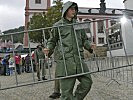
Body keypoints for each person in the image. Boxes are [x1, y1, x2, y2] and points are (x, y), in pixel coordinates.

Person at [44, 1, 96, 100]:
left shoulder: (78, 24)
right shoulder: (57, 26)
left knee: (87, 82)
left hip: (78, 60)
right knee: (66, 93)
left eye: (75, 9)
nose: (74, 11)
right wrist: (48, 49)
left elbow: (84, 40)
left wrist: (90, 45)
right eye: (72, 9)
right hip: (65, 62)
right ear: (66, 10)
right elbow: (52, 41)